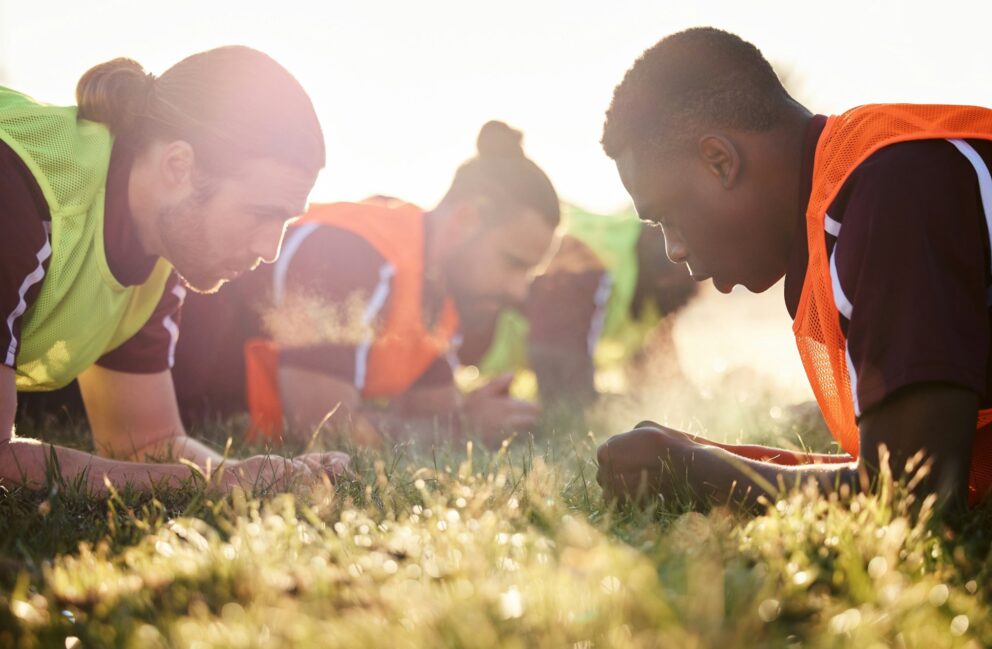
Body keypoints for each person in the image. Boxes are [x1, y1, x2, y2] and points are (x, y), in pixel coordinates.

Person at [595, 27, 992, 511]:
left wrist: (697, 471)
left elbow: (914, 494)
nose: (672, 249)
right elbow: (896, 467)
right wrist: (704, 456)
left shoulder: (893, 191)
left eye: (667, 218)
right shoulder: (849, 193)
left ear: (719, 162)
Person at [0, 47, 351, 496]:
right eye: (262, 213)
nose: (270, 249)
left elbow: (146, 442)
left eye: (285, 222)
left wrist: (258, 474)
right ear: (178, 166)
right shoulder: (16, 195)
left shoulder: (156, 248)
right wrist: (204, 484)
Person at [239, 121, 560, 446]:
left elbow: (433, 414)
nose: (520, 290)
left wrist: (470, 416)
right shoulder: (348, 255)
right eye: (514, 263)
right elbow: (325, 429)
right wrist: (463, 428)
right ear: (465, 221)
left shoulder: (436, 292)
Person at [460, 204, 698, 420]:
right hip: (465, 328)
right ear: (668, 273)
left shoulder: (645, 293)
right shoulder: (584, 265)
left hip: (470, 342)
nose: (705, 283)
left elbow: (662, 382)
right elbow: (566, 401)